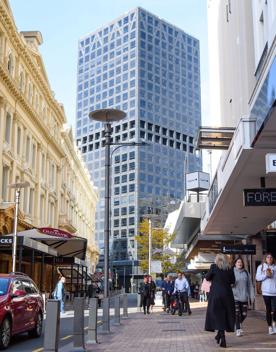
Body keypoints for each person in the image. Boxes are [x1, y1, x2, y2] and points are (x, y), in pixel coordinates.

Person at [205, 253, 235, 348]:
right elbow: (233, 281)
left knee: (217, 315)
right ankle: (220, 335)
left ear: (217, 259)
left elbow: (207, 277)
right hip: (227, 295)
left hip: (216, 295)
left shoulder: (213, 266)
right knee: (225, 315)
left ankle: (222, 337)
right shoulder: (229, 267)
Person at [232, 257, 255, 337]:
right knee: (237, 314)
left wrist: (252, 296)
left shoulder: (246, 273)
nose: (240, 263)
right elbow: (228, 283)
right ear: (235, 263)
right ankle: (238, 329)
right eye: (238, 262)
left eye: (241, 262)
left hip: (244, 297)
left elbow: (250, 285)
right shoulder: (232, 272)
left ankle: (238, 323)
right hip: (235, 297)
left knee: (244, 314)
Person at [256, 253, 276, 335]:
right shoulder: (261, 267)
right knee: (268, 309)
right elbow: (257, 278)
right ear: (265, 258)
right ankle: (270, 327)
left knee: (275, 310)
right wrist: (265, 275)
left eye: (271, 257)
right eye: (268, 257)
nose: (269, 258)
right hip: (266, 292)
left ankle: (274, 323)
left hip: (275, 292)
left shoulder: (275, 267)